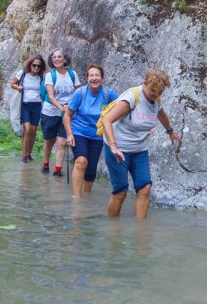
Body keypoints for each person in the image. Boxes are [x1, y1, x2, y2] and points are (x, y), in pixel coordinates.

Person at [101, 68, 181, 219]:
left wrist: (170, 131)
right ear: (144, 83)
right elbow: (107, 120)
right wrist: (113, 146)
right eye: (152, 91)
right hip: (118, 149)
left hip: (139, 150)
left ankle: (141, 234)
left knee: (145, 188)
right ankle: (112, 230)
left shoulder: (156, 100)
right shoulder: (132, 97)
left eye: (159, 92)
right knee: (121, 191)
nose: (155, 94)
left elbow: (161, 114)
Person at [63, 64, 118, 197]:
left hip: (97, 135)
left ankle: (86, 197)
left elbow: (124, 107)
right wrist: (69, 134)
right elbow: (67, 115)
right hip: (78, 132)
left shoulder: (108, 94)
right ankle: (76, 199)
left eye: (97, 75)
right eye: (91, 75)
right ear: (87, 78)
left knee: (91, 170)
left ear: (102, 78)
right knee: (81, 161)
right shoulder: (80, 93)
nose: (94, 78)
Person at [40, 49, 80, 176]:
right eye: (54, 57)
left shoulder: (72, 74)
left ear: (65, 59)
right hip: (50, 112)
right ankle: (45, 164)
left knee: (62, 142)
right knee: (48, 141)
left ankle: (57, 170)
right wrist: (61, 107)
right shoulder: (50, 76)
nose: (57, 59)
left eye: (59, 57)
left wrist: (72, 107)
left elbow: (78, 92)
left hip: (67, 113)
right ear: (51, 61)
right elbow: (51, 97)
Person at [10, 54, 46, 163]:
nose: (36, 68)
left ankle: (29, 154)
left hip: (37, 105)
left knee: (34, 130)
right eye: (34, 65)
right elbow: (12, 84)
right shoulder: (22, 74)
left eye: (39, 66)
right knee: (27, 129)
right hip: (25, 105)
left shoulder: (41, 77)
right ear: (30, 65)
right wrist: (18, 87)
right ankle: (24, 156)